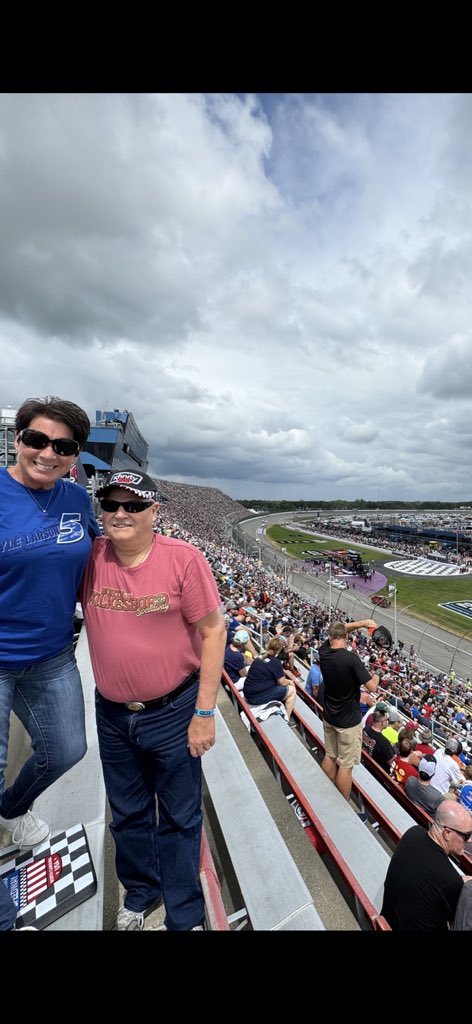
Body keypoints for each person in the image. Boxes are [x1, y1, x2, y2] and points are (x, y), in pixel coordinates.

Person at [80, 469, 226, 931]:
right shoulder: (91, 555)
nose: (121, 514)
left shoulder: (183, 559)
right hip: (112, 713)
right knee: (126, 814)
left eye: (134, 505)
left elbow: (214, 632)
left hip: (174, 710)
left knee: (181, 819)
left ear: (154, 512)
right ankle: (141, 892)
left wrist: (204, 713)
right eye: (112, 504)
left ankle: (184, 914)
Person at [0, 396, 98, 931]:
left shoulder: (75, 500)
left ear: (74, 455)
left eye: (61, 446)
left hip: (52, 654)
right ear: (18, 440)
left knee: (67, 749)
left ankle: (12, 812)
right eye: (37, 440)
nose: (47, 452)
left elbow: (109, 549)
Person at [381, 801, 472, 930]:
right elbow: (458, 919)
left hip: (388, 922)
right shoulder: (449, 881)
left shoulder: (412, 833)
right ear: (447, 833)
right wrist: (463, 885)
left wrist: (459, 882)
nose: (469, 840)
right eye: (466, 835)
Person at [319, 619, 381, 801]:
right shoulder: (351, 659)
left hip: (330, 715)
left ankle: (325, 791)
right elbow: (372, 687)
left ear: (330, 637)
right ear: (346, 637)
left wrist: (360, 623)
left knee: (330, 755)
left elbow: (337, 631)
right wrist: (377, 675)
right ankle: (342, 805)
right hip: (349, 722)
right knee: (346, 766)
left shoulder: (324, 652)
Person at [243, 636, 297, 721]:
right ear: (279, 650)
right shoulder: (275, 662)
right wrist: (290, 682)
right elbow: (282, 682)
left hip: (248, 693)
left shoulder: (259, 657)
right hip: (256, 697)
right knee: (292, 690)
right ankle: (287, 718)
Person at [362, 709, 395, 773]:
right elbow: (391, 761)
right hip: (374, 771)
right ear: (383, 723)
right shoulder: (384, 742)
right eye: (387, 720)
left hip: (364, 761)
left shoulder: (367, 728)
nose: (388, 722)